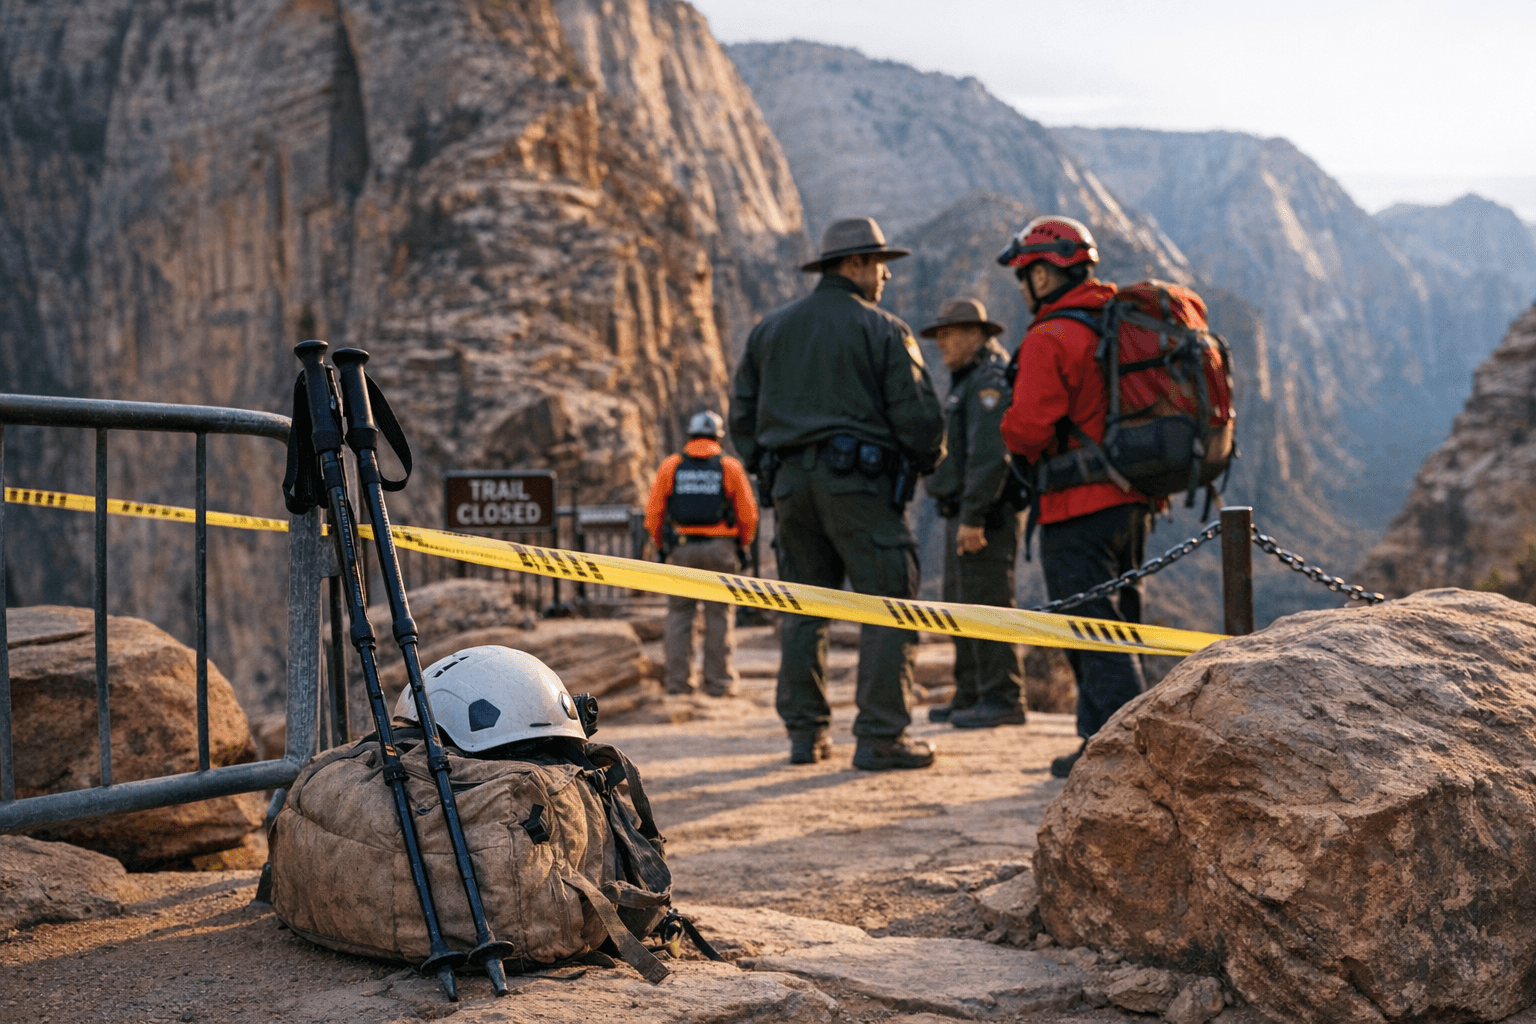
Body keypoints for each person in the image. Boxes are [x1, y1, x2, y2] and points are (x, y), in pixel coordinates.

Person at [729, 217, 945, 769]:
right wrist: (926, 461)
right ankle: (880, 735)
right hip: (860, 486)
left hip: (790, 489)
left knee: (804, 605)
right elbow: (919, 419)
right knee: (889, 601)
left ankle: (806, 734)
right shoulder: (885, 329)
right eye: (879, 265)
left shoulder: (768, 331)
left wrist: (769, 467)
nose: (886, 276)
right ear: (854, 264)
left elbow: (742, 418)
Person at [997, 215, 1150, 778]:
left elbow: (1027, 427)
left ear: (1045, 271)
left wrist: (1010, 434)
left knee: (1087, 626)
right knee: (1120, 620)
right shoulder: (1114, 321)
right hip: (1132, 500)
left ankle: (1118, 754)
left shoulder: (1052, 335)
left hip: (1075, 504)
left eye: (1026, 274)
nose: (1022, 286)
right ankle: (1105, 739)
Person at [919, 297, 1027, 729]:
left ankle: (1002, 696)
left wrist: (974, 516)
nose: (941, 342)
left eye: (948, 333)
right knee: (960, 602)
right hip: (962, 510)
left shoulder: (989, 381)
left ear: (976, 334)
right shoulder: (965, 380)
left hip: (985, 514)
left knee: (988, 601)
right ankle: (970, 692)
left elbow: (989, 454)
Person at [644, 410, 759, 697]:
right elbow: (749, 515)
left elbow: (653, 514)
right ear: (718, 437)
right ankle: (719, 684)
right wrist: (741, 545)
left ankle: (678, 683)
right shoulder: (729, 467)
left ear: (690, 436)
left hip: (682, 549)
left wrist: (661, 546)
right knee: (719, 617)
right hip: (721, 550)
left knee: (679, 616)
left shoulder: (672, 466)